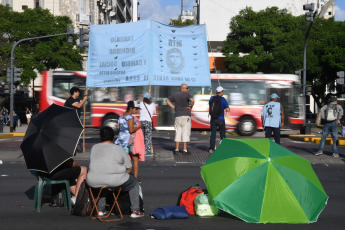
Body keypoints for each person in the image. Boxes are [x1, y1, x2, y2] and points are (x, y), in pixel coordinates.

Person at [87, 127, 144, 218]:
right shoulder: (119, 149)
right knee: (134, 182)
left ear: (101, 137)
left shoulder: (94, 147)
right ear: (113, 137)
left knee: (103, 185)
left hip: (93, 181)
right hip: (113, 181)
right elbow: (129, 168)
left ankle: (100, 209)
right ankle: (135, 211)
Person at [115, 101, 142, 178]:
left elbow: (118, 127)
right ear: (131, 108)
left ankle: (122, 176)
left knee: (123, 161)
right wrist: (138, 126)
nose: (136, 110)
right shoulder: (130, 117)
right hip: (129, 141)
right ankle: (135, 178)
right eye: (135, 109)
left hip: (120, 141)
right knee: (135, 159)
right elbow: (131, 130)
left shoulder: (122, 116)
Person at [166, 84, 195, 154]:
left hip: (177, 116)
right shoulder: (187, 95)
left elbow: (167, 100)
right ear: (183, 88)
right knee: (185, 132)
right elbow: (192, 100)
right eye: (187, 88)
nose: (188, 89)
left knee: (178, 132)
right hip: (185, 116)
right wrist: (191, 107)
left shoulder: (175, 95)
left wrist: (174, 107)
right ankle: (185, 150)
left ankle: (176, 149)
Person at [64, 87, 88, 153]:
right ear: (74, 92)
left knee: (75, 134)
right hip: (70, 120)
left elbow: (84, 103)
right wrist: (84, 100)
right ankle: (73, 148)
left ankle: (74, 147)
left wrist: (85, 95)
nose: (79, 93)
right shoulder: (70, 100)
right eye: (78, 92)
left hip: (76, 119)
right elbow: (79, 106)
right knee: (73, 135)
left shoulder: (77, 99)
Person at [208, 86, 230, 154]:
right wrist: (226, 109)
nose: (223, 92)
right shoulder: (223, 99)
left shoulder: (212, 98)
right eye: (223, 91)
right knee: (222, 134)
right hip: (221, 119)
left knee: (213, 134)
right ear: (221, 92)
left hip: (213, 119)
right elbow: (227, 109)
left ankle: (211, 149)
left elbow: (210, 105)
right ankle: (223, 148)